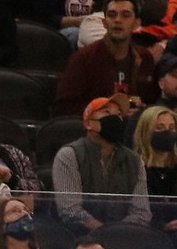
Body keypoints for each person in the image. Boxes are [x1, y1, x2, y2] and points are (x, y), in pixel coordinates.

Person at [54, 94, 152, 232]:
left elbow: (142, 212)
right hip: (80, 236)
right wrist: (103, 232)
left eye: (118, 114)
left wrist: (116, 232)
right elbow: (70, 210)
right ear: (88, 123)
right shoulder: (70, 155)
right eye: (106, 112)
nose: (114, 118)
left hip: (124, 236)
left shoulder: (134, 160)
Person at [55, 0, 158, 115]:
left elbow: (153, 103)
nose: (117, 20)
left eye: (125, 15)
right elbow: (63, 107)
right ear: (104, 23)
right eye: (111, 15)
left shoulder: (145, 58)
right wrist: (105, 111)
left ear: (137, 23)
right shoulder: (84, 58)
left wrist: (142, 111)